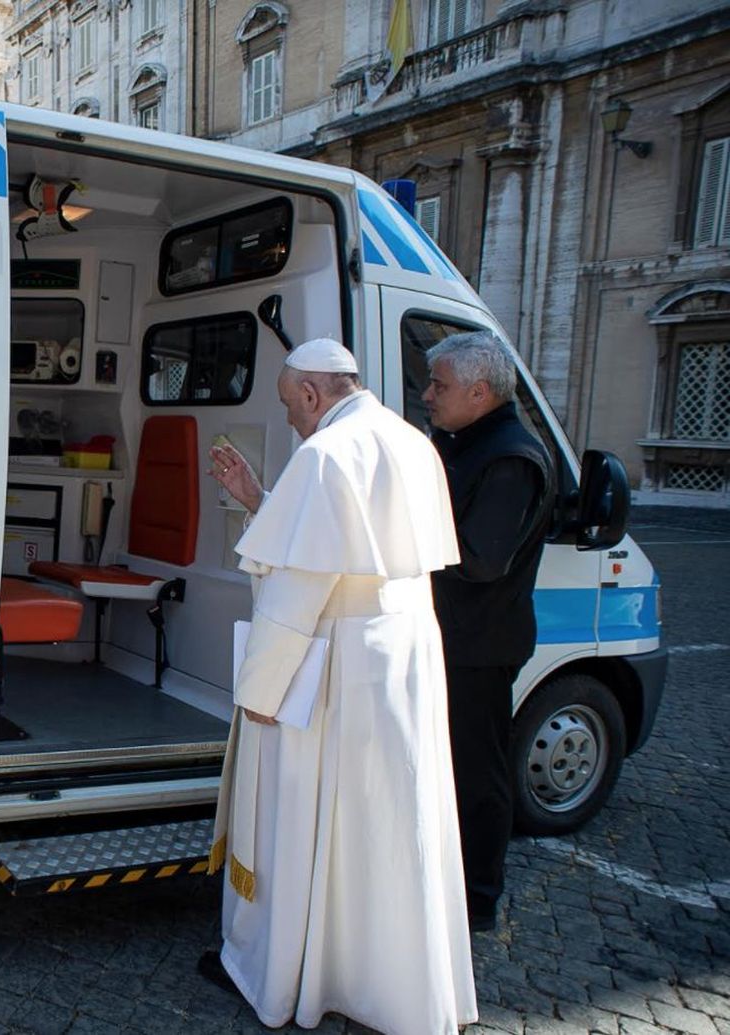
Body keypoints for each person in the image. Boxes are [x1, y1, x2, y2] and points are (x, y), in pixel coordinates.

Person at [203, 338, 477, 1034]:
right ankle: (383, 982)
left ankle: (284, 974)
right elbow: (341, 545)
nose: (293, 421)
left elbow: (296, 591)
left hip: (333, 666)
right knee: (380, 823)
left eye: (290, 406)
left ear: (310, 394)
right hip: (401, 660)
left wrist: (259, 691)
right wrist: (260, 498)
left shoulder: (325, 454)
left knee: (304, 821)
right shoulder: (411, 441)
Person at [422, 331, 554, 933]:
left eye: (439, 386)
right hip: (447, 637)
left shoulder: (510, 456)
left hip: (477, 646)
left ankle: (477, 899)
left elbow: (481, 558)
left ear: (479, 392)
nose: (428, 395)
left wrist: (404, 536)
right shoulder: (461, 439)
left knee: (477, 774)